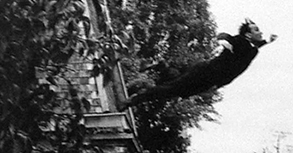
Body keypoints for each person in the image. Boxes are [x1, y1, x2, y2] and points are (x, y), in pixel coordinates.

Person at [118, 19, 278, 111]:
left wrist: (268, 41)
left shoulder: (252, 50)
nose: (260, 32)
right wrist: (224, 42)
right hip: (205, 74)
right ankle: (133, 100)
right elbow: (224, 37)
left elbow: (252, 49)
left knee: (178, 88)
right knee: (172, 89)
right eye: (257, 30)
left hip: (209, 80)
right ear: (249, 34)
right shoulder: (241, 42)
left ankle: (161, 66)